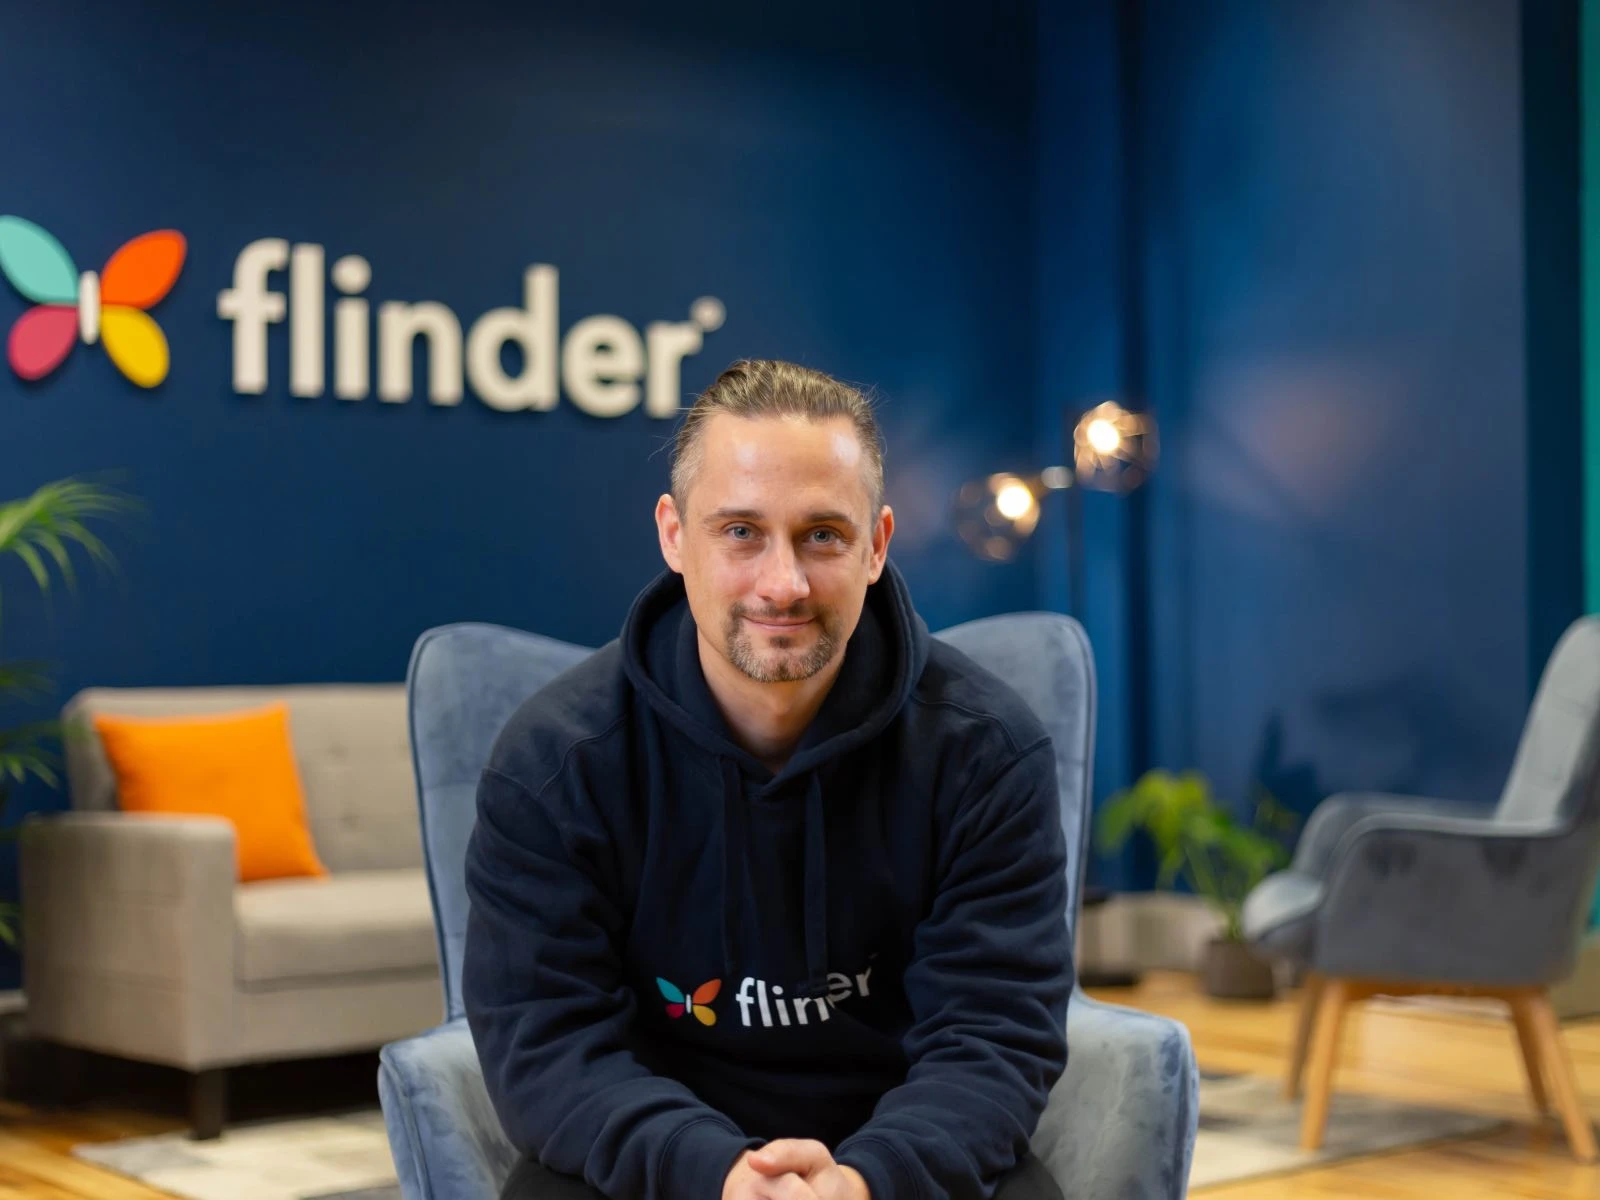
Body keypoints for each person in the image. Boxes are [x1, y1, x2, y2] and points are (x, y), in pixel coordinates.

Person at [463, 360, 1073, 1200]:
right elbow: (546, 1046)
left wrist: (864, 1181)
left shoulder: (987, 751)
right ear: (675, 536)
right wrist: (715, 1173)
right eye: (740, 531)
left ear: (877, 545)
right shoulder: (554, 762)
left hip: (896, 1156)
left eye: (822, 534)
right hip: (659, 1162)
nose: (781, 584)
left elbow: (995, 1036)